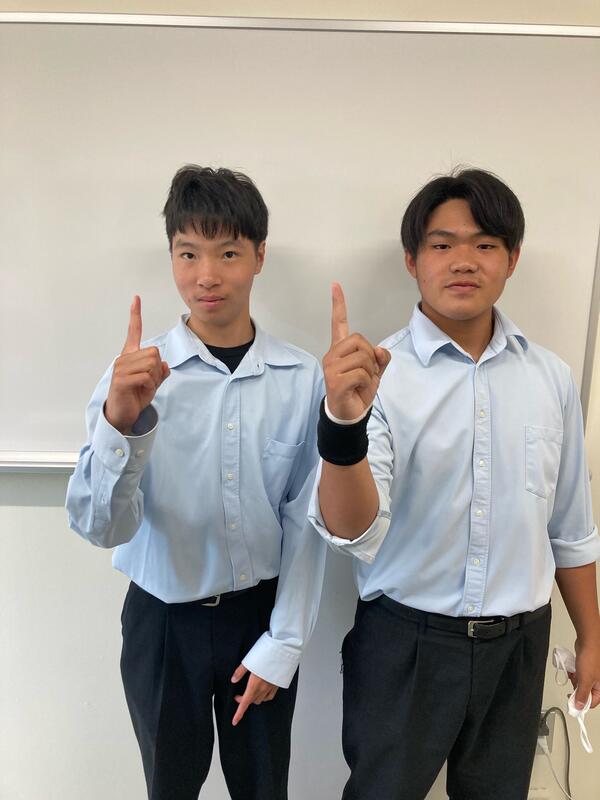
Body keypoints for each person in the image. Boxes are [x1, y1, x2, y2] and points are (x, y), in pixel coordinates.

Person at [310, 168, 600, 800]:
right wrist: (343, 424)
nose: (463, 261)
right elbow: (351, 530)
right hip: (404, 644)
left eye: (485, 244)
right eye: (442, 245)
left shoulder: (551, 378)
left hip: (518, 646)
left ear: (512, 259)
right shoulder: (375, 377)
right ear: (412, 260)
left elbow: (571, 528)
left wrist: (591, 636)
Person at [66, 165, 326, 800]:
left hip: (258, 618)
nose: (206, 275)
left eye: (228, 253)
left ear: (259, 256)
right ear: (172, 257)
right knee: (169, 786)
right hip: (162, 624)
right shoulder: (135, 378)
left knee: (263, 788)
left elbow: (306, 522)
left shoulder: (301, 378)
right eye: (188, 253)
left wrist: (284, 643)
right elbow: (101, 528)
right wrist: (122, 426)